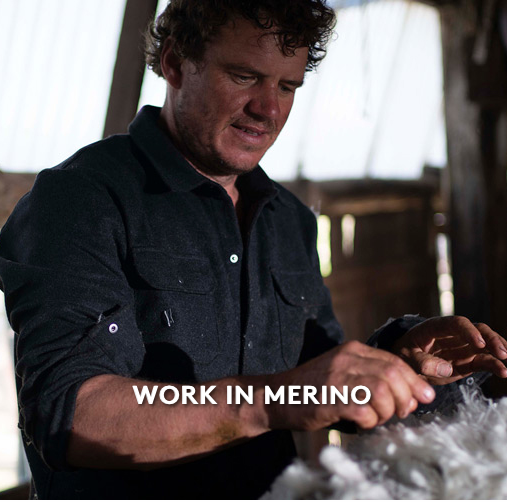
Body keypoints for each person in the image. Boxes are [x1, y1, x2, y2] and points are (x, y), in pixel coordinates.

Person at [1, 0, 507, 499]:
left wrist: (396, 362)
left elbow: (314, 374)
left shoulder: (286, 217)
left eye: (287, 87)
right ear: (175, 63)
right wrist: (275, 400)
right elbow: (70, 415)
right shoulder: (79, 201)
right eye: (244, 76)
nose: (268, 109)